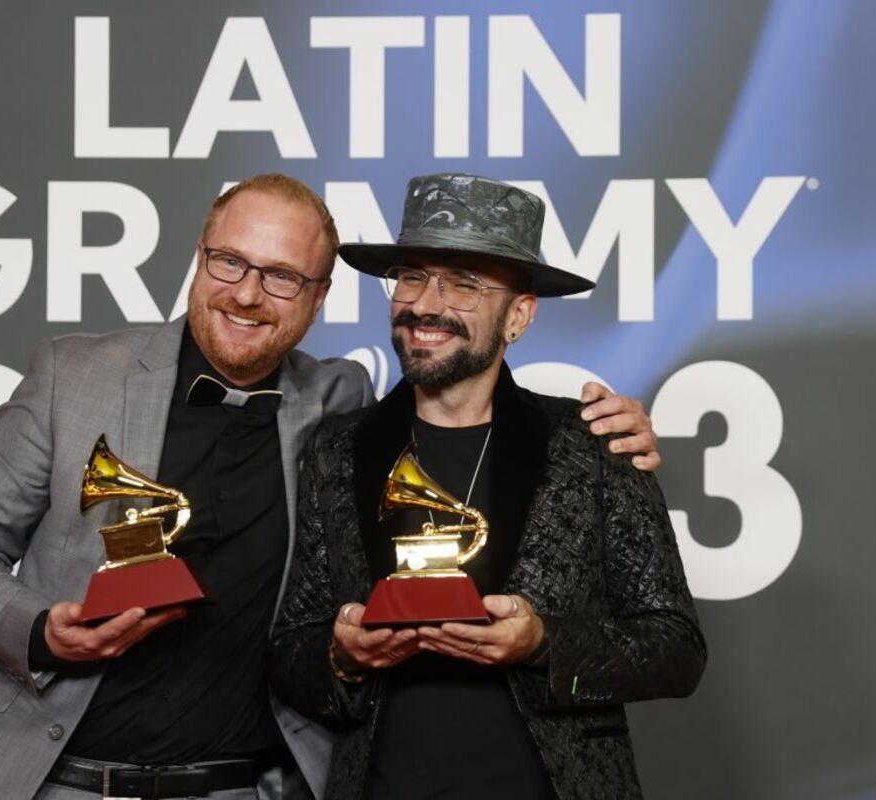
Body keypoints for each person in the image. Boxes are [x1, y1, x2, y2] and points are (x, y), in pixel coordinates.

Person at [0, 173, 661, 800]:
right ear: (198, 260)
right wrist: (42, 633)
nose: (246, 295)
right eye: (229, 263)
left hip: (250, 788)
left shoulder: (338, 407)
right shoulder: (72, 376)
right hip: (55, 779)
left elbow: (459, 406)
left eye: (281, 277)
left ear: (320, 296)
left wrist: (611, 429)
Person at [268, 174, 706, 799]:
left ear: (519, 315)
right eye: (412, 275)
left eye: (465, 284)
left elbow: (677, 649)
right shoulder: (337, 450)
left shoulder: (594, 445)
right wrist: (343, 656)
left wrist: (544, 645)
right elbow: (290, 652)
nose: (426, 303)